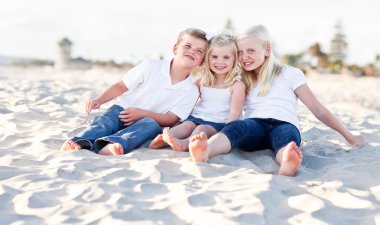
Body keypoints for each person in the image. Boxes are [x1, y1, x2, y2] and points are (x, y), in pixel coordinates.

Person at [188, 25, 366, 176]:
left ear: (267, 49)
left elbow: (317, 109)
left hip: (284, 123)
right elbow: (213, 85)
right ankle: (206, 150)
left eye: (251, 51)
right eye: (240, 52)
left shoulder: (290, 74)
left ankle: (287, 161)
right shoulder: (241, 79)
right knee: (237, 128)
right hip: (255, 125)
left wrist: (349, 137)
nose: (244, 57)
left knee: (286, 139)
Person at [61, 28, 209, 155]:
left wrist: (143, 113)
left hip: (148, 120)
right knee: (106, 124)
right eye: (187, 46)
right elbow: (121, 86)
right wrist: (99, 100)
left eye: (199, 51)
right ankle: (79, 142)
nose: (192, 52)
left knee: (149, 126)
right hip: (123, 111)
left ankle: (111, 146)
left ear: (201, 61)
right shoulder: (151, 66)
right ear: (176, 48)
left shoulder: (191, 91)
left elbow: (171, 119)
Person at [148, 33, 246, 151]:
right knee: (186, 126)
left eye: (226, 57)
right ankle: (163, 139)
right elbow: (188, 104)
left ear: (234, 60)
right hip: (196, 117)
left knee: (201, 130)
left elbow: (235, 114)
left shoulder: (237, 85)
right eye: (214, 57)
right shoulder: (202, 82)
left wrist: (226, 134)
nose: (220, 61)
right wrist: (176, 123)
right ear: (207, 59)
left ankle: (184, 144)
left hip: (218, 124)